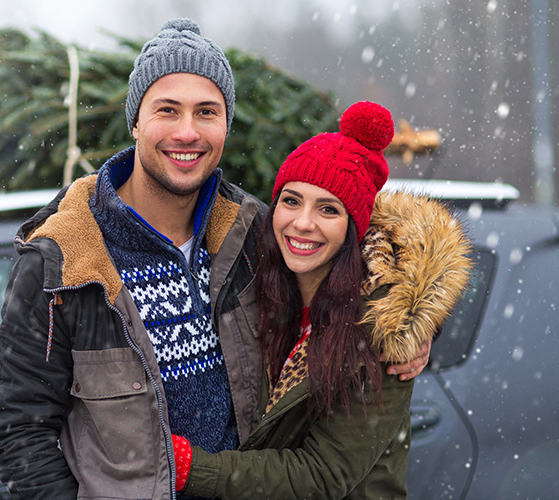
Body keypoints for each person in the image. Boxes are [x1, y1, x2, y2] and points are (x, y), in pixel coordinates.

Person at [0, 19, 428, 500]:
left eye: (207, 112)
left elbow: (361, 279)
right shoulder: (62, 263)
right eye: (167, 110)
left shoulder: (253, 232)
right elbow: (19, 431)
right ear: (135, 120)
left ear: (225, 126)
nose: (187, 132)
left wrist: (416, 332)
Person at [172, 101, 474, 499]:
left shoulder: (381, 330)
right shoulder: (259, 289)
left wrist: (191, 468)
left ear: (354, 227)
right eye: (291, 200)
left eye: (328, 209)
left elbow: (321, 476)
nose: (302, 223)